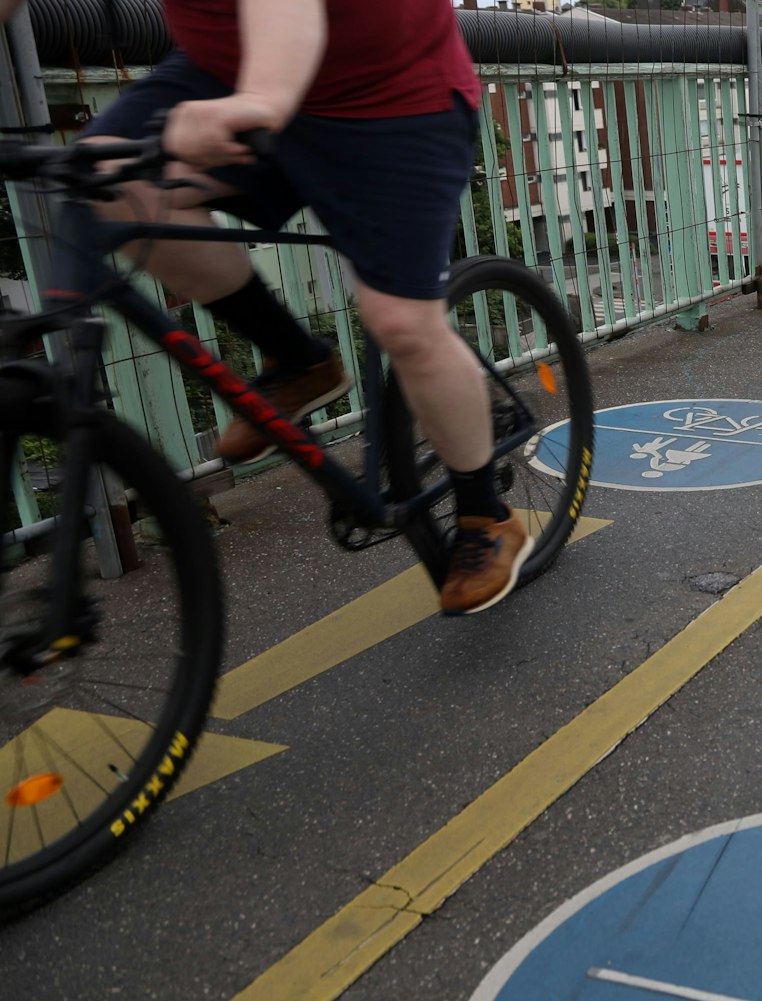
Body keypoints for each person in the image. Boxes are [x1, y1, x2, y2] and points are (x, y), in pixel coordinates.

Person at [0, 0, 532, 615]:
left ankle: (484, 512)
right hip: (229, 67)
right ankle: (298, 360)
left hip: (391, 94)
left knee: (401, 322)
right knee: (110, 182)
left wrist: (264, 98)